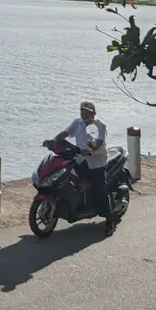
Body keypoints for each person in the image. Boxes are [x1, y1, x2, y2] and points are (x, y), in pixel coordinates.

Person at [51, 100, 114, 236]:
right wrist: (54, 141)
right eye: (82, 111)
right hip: (79, 159)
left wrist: (89, 150)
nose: (84, 114)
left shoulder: (100, 125)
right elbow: (65, 133)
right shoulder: (77, 123)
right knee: (66, 177)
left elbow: (99, 142)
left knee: (100, 188)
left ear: (94, 113)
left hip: (96, 161)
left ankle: (109, 220)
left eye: (87, 112)